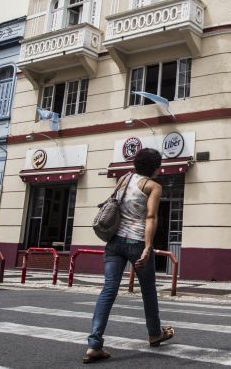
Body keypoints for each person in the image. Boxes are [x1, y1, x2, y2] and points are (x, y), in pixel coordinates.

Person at [84, 148, 174, 363]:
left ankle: (94, 345)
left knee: (108, 290)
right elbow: (151, 217)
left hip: (114, 242)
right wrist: (148, 247)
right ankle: (154, 333)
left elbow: (114, 205)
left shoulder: (124, 178)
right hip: (137, 242)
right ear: (155, 167)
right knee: (148, 291)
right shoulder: (153, 186)